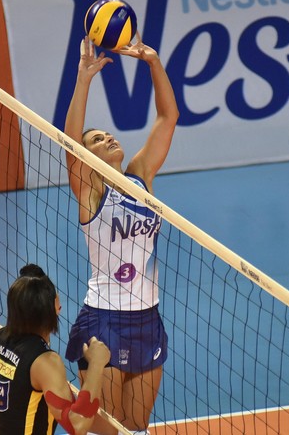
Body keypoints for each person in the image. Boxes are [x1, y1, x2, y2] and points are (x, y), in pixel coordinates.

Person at [63, 35, 179, 435]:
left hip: (148, 317)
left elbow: (168, 119)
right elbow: (69, 144)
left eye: (107, 135)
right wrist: (83, 80)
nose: (107, 139)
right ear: (87, 156)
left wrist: (153, 63)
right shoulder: (91, 193)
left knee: (136, 428)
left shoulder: (141, 176)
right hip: (104, 320)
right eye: (96, 140)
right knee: (104, 428)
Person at [0, 263, 110, 435]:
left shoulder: (0, 337)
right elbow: (78, 425)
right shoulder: (45, 361)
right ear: (53, 307)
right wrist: (96, 364)